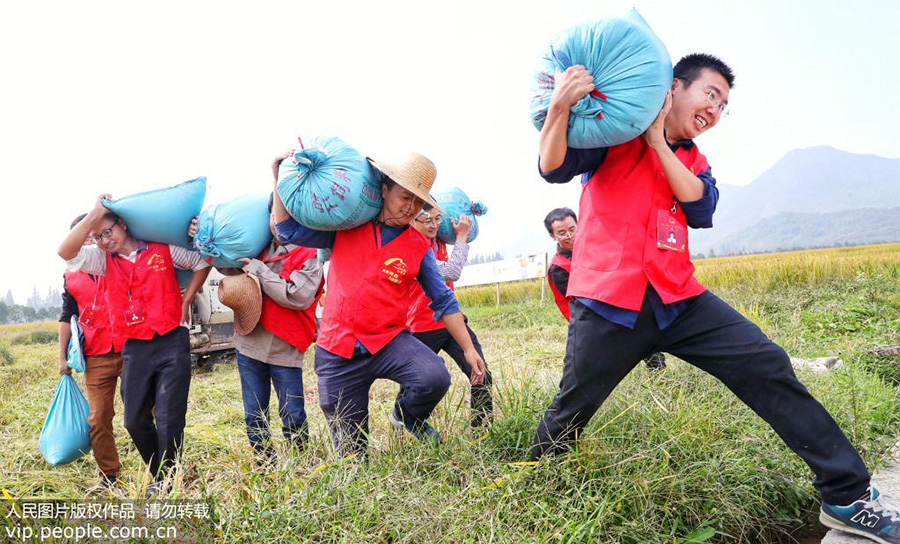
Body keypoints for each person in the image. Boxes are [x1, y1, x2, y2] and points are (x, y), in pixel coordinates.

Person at [531, 53, 900, 542]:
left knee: (767, 363)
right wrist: (560, 108)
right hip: (607, 303)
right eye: (710, 94)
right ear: (674, 87)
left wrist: (660, 144)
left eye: (723, 105)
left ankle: (846, 494)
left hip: (680, 299)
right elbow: (552, 167)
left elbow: (700, 205)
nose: (714, 109)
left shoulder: (696, 161)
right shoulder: (613, 137)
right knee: (570, 410)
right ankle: (530, 482)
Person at [273, 151, 486, 457]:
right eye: (404, 197)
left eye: (417, 201)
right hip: (338, 347)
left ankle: (408, 418)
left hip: (387, 341)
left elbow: (443, 299)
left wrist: (468, 349)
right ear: (385, 190)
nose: (410, 207)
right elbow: (287, 230)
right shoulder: (347, 227)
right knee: (352, 454)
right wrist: (278, 177)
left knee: (434, 376)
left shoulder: (418, 247)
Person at [58, 196, 210, 493]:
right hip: (136, 347)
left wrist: (187, 298)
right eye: (97, 237)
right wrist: (95, 215)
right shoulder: (102, 260)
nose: (104, 241)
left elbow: (201, 262)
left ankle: (167, 481)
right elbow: (66, 253)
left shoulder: (161, 249)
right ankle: (163, 473)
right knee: (134, 420)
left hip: (171, 341)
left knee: (169, 418)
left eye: (108, 232)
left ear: (123, 225)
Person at [189, 195, 324, 462]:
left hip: (286, 345)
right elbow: (227, 266)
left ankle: (300, 465)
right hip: (249, 342)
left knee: (292, 413)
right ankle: (265, 465)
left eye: (286, 217)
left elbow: (298, 297)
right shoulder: (256, 244)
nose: (279, 223)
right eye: (275, 217)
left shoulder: (311, 254)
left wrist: (259, 269)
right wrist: (201, 240)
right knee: (254, 413)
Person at [544, 207, 665, 369]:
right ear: (553, 236)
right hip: (589, 317)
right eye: (562, 233)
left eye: (572, 229)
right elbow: (579, 300)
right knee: (593, 361)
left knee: (640, 332)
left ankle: (658, 371)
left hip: (614, 302)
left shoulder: (594, 246)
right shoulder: (558, 268)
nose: (569, 235)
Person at [404, 208, 493, 427]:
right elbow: (452, 271)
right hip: (422, 327)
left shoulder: (441, 241)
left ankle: (481, 428)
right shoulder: (412, 247)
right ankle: (408, 424)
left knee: (481, 373)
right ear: (412, 221)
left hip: (453, 323)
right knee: (413, 385)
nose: (433, 225)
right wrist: (462, 237)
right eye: (426, 220)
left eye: (437, 219)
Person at [57, 213, 123, 490]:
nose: (87, 243)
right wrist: (62, 358)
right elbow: (66, 315)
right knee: (97, 418)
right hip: (95, 353)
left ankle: (160, 471)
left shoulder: (116, 260)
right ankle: (109, 475)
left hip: (132, 346)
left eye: (91, 237)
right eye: (81, 238)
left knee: (146, 412)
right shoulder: (70, 275)